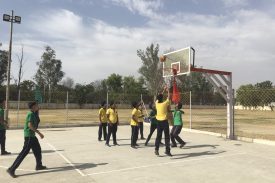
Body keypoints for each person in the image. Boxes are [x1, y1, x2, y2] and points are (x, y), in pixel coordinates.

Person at [7, 101, 46, 178]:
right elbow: (30, 125)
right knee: (24, 153)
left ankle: (39, 165)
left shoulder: (34, 113)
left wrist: (37, 110)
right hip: (29, 137)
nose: (38, 106)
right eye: (36, 105)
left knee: (37, 150)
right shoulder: (30, 114)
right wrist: (39, 133)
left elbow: (37, 118)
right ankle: (11, 169)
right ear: (33, 107)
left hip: (32, 137)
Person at [155, 86, 172, 156]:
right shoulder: (164, 104)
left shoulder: (156, 103)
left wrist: (163, 90)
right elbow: (169, 97)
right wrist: (167, 90)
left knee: (158, 136)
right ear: (162, 98)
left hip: (158, 122)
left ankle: (156, 149)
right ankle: (167, 151)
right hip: (164, 122)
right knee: (167, 137)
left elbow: (159, 97)